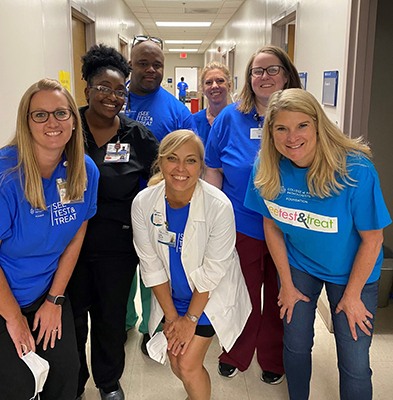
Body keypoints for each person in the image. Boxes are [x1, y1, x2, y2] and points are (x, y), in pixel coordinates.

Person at [245, 88, 392, 400]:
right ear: (271, 132)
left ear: (317, 125)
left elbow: (374, 239)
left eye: (301, 126)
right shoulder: (266, 168)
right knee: (295, 344)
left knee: (353, 360)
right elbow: (270, 224)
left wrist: (352, 296)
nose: (291, 137)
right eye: (281, 128)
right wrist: (285, 282)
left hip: (353, 271)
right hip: (300, 263)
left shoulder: (355, 171)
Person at [0, 78, 99, 399]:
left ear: (73, 120)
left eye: (61, 113)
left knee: (65, 378)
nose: (52, 122)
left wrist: (54, 299)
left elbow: (77, 233)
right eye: (40, 115)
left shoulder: (84, 170)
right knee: (18, 385)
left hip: (45, 294)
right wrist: (14, 318)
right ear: (26, 122)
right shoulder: (3, 177)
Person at [205, 45, 302, 383]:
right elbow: (213, 169)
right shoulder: (229, 118)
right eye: (257, 71)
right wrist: (212, 219)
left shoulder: (302, 117)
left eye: (272, 69)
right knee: (239, 293)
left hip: (289, 228)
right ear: (248, 79)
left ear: (287, 74)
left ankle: (274, 358)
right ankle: (235, 350)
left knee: (281, 293)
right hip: (241, 225)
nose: (264, 77)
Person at [67, 44, 158, 400]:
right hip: (67, 244)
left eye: (120, 90)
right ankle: (73, 382)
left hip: (118, 245)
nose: (112, 96)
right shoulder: (67, 127)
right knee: (71, 321)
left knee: (110, 320)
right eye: (103, 87)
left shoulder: (138, 137)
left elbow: (158, 183)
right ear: (87, 87)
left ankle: (108, 382)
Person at [131, 129, 251, 400]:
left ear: (201, 165)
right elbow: (150, 265)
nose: (181, 168)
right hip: (171, 298)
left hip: (209, 297)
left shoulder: (218, 206)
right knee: (175, 361)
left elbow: (212, 272)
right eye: (172, 158)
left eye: (191, 160)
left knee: (187, 363)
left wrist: (191, 319)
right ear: (160, 162)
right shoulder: (144, 203)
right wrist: (173, 318)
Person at [124, 35, 197, 356]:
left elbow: (189, 161)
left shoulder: (177, 111)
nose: (151, 69)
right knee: (120, 270)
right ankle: (122, 321)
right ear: (130, 65)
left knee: (154, 268)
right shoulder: (115, 100)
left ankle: (150, 327)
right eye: (143, 63)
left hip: (160, 207)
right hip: (114, 205)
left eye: (157, 64)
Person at [193, 61, 232, 146]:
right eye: (208, 82)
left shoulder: (240, 120)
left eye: (220, 81)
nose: (214, 86)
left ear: (229, 86)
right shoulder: (194, 122)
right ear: (203, 89)